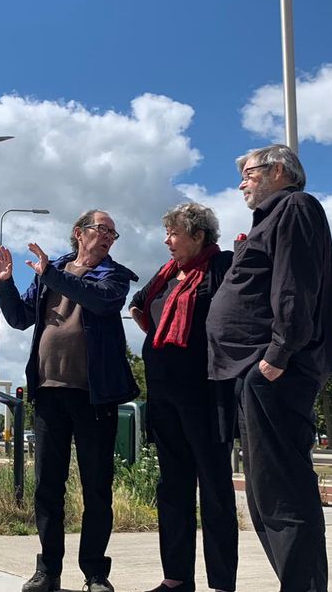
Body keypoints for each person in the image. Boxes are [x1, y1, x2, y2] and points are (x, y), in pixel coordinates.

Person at [207, 144, 332, 592]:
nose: (242, 182)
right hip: (256, 374)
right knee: (266, 497)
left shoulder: (296, 207)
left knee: (283, 493)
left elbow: (295, 285)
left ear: (278, 170)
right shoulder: (269, 219)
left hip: (275, 373)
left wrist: (277, 356)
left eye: (248, 172)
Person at [0, 210, 139, 592]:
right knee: (48, 487)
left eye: (113, 232)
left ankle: (95, 574)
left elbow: (100, 301)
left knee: (96, 487)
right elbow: (19, 318)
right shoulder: (51, 270)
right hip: (49, 394)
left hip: (95, 397)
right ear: (79, 233)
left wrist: (52, 275)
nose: (108, 237)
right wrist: (4, 283)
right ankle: (48, 571)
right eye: (101, 229)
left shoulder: (114, 276)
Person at [129, 203, 237, 592]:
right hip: (163, 395)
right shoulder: (164, 276)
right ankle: (176, 579)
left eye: (174, 233)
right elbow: (138, 304)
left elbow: (240, 310)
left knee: (214, 489)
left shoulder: (221, 266)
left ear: (198, 236)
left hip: (206, 394)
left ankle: (222, 583)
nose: (167, 240)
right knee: (172, 488)